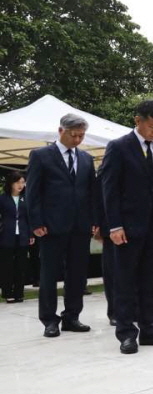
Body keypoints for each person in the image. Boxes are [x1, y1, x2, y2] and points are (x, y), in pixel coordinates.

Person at [102, 100, 153, 354]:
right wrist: (114, 225)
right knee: (125, 281)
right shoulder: (119, 147)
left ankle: (150, 329)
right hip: (127, 227)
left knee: (150, 282)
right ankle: (126, 333)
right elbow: (109, 190)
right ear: (138, 120)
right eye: (152, 127)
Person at [27, 113, 96, 338]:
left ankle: (72, 317)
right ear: (61, 131)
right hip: (51, 226)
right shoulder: (41, 156)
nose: (77, 140)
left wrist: (95, 221)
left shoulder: (86, 159)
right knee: (49, 275)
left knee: (77, 275)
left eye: (81, 136)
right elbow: (33, 192)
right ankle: (49, 320)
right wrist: (36, 222)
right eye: (73, 135)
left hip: (80, 226)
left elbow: (92, 193)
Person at [0, 172, 33, 303]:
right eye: (17, 182)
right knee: (6, 265)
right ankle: (8, 292)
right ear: (11, 183)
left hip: (23, 234)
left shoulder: (26, 198)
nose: (20, 185)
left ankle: (19, 293)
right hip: (6, 235)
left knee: (21, 265)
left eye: (23, 182)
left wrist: (31, 234)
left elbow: (30, 217)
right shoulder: (3, 198)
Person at [93, 163, 115, 325]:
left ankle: (133, 308)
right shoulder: (107, 167)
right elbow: (97, 199)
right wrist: (98, 224)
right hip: (110, 228)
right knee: (112, 272)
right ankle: (114, 311)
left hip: (135, 228)